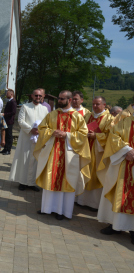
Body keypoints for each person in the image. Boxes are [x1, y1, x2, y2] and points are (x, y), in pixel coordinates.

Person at [34, 90, 91, 220]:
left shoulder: (77, 117)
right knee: (51, 178)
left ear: (69, 100)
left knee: (67, 180)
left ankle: (62, 211)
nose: (59, 101)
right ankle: (46, 208)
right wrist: (52, 132)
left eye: (62, 99)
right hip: (53, 152)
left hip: (69, 155)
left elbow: (83, 135)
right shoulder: (53, 114)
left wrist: (67, 135)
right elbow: (42, 128)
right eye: (59, 98)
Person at [97, 114, 134, 244]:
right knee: (118, 193)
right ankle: (115, 225)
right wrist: (126, 150)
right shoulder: (124, 122)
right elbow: (113, 137)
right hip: (122, 165)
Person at [75, 97, 113, 211]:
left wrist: (96, 136)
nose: (95, 106)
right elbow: (79, 129)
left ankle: (94, 204)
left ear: (104, 105)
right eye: (93, 104)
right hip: (85, 149)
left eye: (97, 104)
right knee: (83, 172)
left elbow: (111, 137)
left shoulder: (109, 119)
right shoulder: (87, 116)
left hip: (98, 153)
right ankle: (81, 200)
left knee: (96, 176)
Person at [9, 89, 48, 191]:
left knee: (36, 160)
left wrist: (40, 131)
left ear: (42, 96)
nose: (38, 97)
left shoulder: (44, 109)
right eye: (36, 95)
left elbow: (47, 123)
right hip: (26, 138)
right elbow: (20, 120)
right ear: (32, 96)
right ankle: (22, 182)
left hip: (38, 139)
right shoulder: (25, 107)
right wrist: (31, 130)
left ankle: (32, 183)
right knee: (24, 160)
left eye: (40, 96)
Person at [0, 89, 16, 155]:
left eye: (7, 93)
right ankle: (5, 148)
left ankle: (8, 150)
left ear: (11, 94)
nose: (6, 94)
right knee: (5, 135)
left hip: (9, 121)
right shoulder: (9, 101)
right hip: (6, 120)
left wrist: (5, 114)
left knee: (9, 136)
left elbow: (13, 112)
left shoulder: (13, 102)